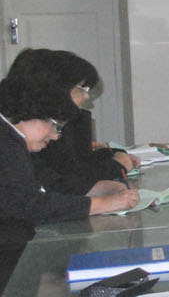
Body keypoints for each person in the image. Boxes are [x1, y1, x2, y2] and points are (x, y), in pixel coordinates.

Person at [6, 48, 138, 193]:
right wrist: (114, 166)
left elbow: (78, 160)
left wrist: (110, 155)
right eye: (83, 88)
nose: (87, 96)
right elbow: (62, 181)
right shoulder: (37, 126)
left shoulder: (55, 121)